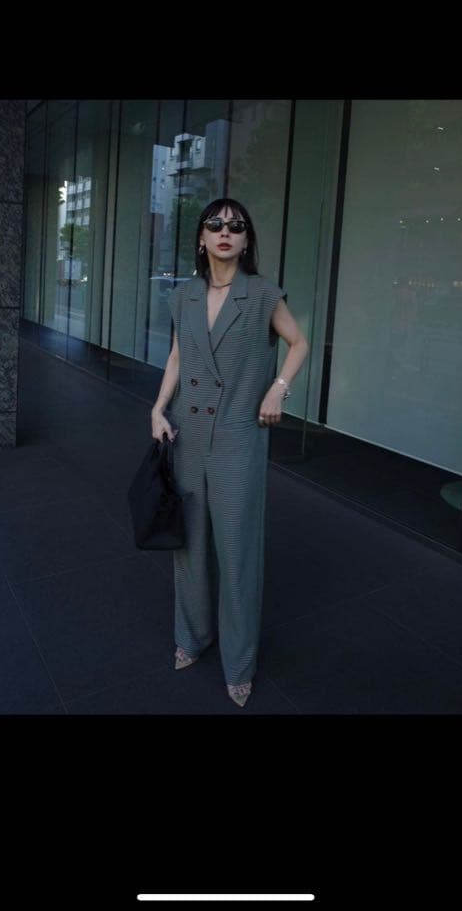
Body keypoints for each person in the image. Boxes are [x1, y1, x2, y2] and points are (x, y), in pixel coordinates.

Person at [151, 198, 309, 707]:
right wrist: (158, 407)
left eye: (236, 226)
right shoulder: (184, 295)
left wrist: (278, 389)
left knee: (238, 551)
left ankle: (239, 661)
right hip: (187, 433)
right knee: (189, 545)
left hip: (239, 435)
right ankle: (192, 636)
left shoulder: (261, 294)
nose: (225, 231)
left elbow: (299, 343)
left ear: (245, 240)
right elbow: (178, 356)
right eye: (215, 224)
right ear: (201, 238)